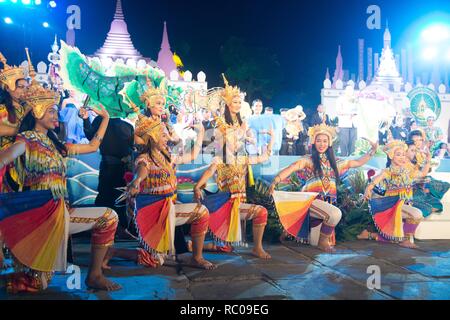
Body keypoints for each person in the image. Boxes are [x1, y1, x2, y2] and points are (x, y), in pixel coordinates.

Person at [0, 81, 121, 293]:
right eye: (51, 111)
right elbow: (5, 157)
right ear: (36, 113)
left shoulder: (57, 146)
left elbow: (93, 146)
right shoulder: (26, 140)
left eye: (56, 111)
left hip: (61, 213)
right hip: (41, 217)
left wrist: (106, 119)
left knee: (109, 218)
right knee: (37, 284)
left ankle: (94, 275)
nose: (56, 116)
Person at [102, 94, 216, 270]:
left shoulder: (169, 157)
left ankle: (196, 257)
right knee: (155, 260)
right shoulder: (144, 157)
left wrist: (201, 132)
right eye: (164, 136)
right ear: (154, 138)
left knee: (201, 213)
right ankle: (114, 252)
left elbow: (192, 155)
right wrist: (137, 180)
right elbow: (142, 168)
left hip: (168, 206)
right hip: (152, 211)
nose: (168, 139)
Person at [193, 75, 274, 259]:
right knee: (224, 247)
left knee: (259, 213)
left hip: (239, 204)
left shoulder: (242, 157)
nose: (238, 104)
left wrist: (271, 139)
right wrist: (198, 186)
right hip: (226, 205)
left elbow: (264, 156)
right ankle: (193, 246)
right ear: (228, 103)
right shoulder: (222, 154)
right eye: (234, 101)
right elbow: (210, 170)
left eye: (240, 101)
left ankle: (257, 247)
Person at [269, 124, 378, 253]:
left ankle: (292, 234)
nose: (322, 144)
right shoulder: (308, 160)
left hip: (326, 205)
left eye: (325, 141)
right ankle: (322, 242)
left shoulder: (336, 163)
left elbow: (358, 162)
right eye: (318, 140)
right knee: (335, 213)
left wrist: (372, 150)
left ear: (329, 143)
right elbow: (291, 168)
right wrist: (275, 181)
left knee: (331, 216)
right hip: (310, 202)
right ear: (313, 142)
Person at [358, 140, 431, 249]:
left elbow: (423, 174)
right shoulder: (387, 172)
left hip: (401, 205)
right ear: (391, 156)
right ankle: (405, 241)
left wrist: (428, 160)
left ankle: (369, 235)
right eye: (398, 155)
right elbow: (374, 182)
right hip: (388, 206)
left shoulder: (407, 171)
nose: (402, 157)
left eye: (403, 154)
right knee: (416, 214)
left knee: (395, 238)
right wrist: (367, 189)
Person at [80, 106, 137, 240]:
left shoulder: (124, 125)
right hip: (114, 166)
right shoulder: (121, 124)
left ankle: (113, 228)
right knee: (113, 198)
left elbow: (90, 136)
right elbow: (91, 137)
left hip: (118, 167)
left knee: (113, 198)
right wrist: (86, 119)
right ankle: (110, 228)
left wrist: (86, 119)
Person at [336, 86, 358, 156]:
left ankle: (351, 158)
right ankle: (344, 158)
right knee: (344, 142)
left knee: (353, 143)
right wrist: (349, 113)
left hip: (354, 123)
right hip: (344, 123)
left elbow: (359, 109)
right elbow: (338, 111)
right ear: (345, 91)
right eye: (348, 90)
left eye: (351, 90)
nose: (350, 91)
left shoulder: (356, 99)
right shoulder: (340, 99)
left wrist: (356, 112)